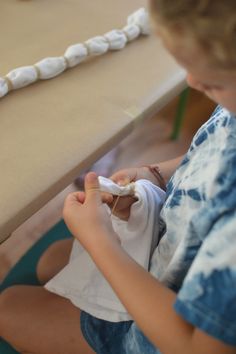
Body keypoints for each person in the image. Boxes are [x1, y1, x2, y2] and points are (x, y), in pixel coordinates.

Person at [0, 0, 236, 353]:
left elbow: (195, 346)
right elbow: (216, 150)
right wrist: (156, 174)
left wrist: (100, 241)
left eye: (213, 81)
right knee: (52, 261)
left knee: (9, 307)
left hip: (165, 333)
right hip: (168, 256)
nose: (192, 81)